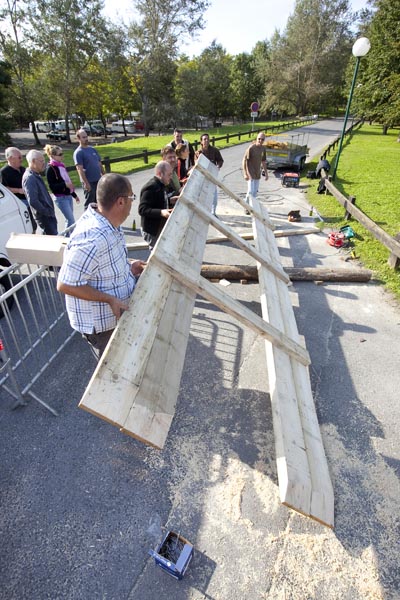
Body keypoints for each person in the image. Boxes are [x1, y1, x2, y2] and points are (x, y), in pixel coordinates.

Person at [57, 173, 145, 360]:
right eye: (131, 198)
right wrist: (110, 300)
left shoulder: (109, 223)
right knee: (114, 376)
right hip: (103, 328)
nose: (132, 203)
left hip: (115, 320)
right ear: (121, 202)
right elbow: (65, 283)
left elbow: (103, 266)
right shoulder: (93, 237)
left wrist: (128, 267)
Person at [45, 144, 80, 234]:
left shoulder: (61, 166)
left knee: (69, 220)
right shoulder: (50, 169)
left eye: (62, 154)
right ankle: (68, 238)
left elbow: (68, 182)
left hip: (67, 196)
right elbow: (52, 187)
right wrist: (64, 185)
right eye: (60, 154)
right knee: (71, 220)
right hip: (60, 198)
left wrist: (74, 195)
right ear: (52, 156)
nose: (62, 156)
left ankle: (66, 238)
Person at [138, 161, 173, 251]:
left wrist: (170, 200)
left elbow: (158, 200)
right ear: (159, 174)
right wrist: (161, 212)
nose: (171, 177)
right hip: (152, 229)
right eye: (169, 175)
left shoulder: (161, 184)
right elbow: (142, 209)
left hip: (158, 226)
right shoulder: (151, 187)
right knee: (157, 253)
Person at [0, 146, 37, 232]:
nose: (21, 159)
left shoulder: (23, 169)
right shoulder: (4, 172)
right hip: (19, 203)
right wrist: (18, 190)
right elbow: (4, 189)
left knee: (34, 225)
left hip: (29, 200)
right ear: (11, 158)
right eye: (19, 157)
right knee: (29, 226)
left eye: (22, 157)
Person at [22, 150, 58, 235]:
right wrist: (47, 212)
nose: (44, 163)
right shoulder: (30, 178)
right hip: (44, 217)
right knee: (52, 243)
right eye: (41, 161)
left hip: (48, 215)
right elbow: (33, 201)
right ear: (33, 161)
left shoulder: (36, 175)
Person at [73, 129, 104, 208]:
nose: (86, 139)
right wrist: (86, 183)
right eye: (83, 137)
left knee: (99, 201)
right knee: (90, 204)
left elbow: (99, 163)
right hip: (89, 182)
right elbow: (79, 169)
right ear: (78, 139)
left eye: (86, 137)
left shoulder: (92, 149)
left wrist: (104, 176)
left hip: (98, 180)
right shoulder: (78, 152)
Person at [196, 133, 224, 216]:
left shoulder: (215, 150)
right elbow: (195, 164)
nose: (206, 141)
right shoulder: (198, 153)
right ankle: (203, 212)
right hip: (202, 177)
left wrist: (218, 166)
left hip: (212, 176)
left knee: (214, 194)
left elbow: (220, 160)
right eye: (204, 139)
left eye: (207, 139)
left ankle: (213, 212)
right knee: (202, 195)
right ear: (201, 141)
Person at [242, 132, 268, 214]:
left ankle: (249, 205)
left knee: (254, 192)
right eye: (259, 139)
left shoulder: (263, 149)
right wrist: (245, 173)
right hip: (250, 172)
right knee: (250, 191)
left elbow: (263, 161)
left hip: (257, 173)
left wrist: (266, 173)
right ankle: (247, 208)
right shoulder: (251, 148)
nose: (260, 140)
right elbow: (244, 160)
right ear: (256, 139)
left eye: (262, 139)